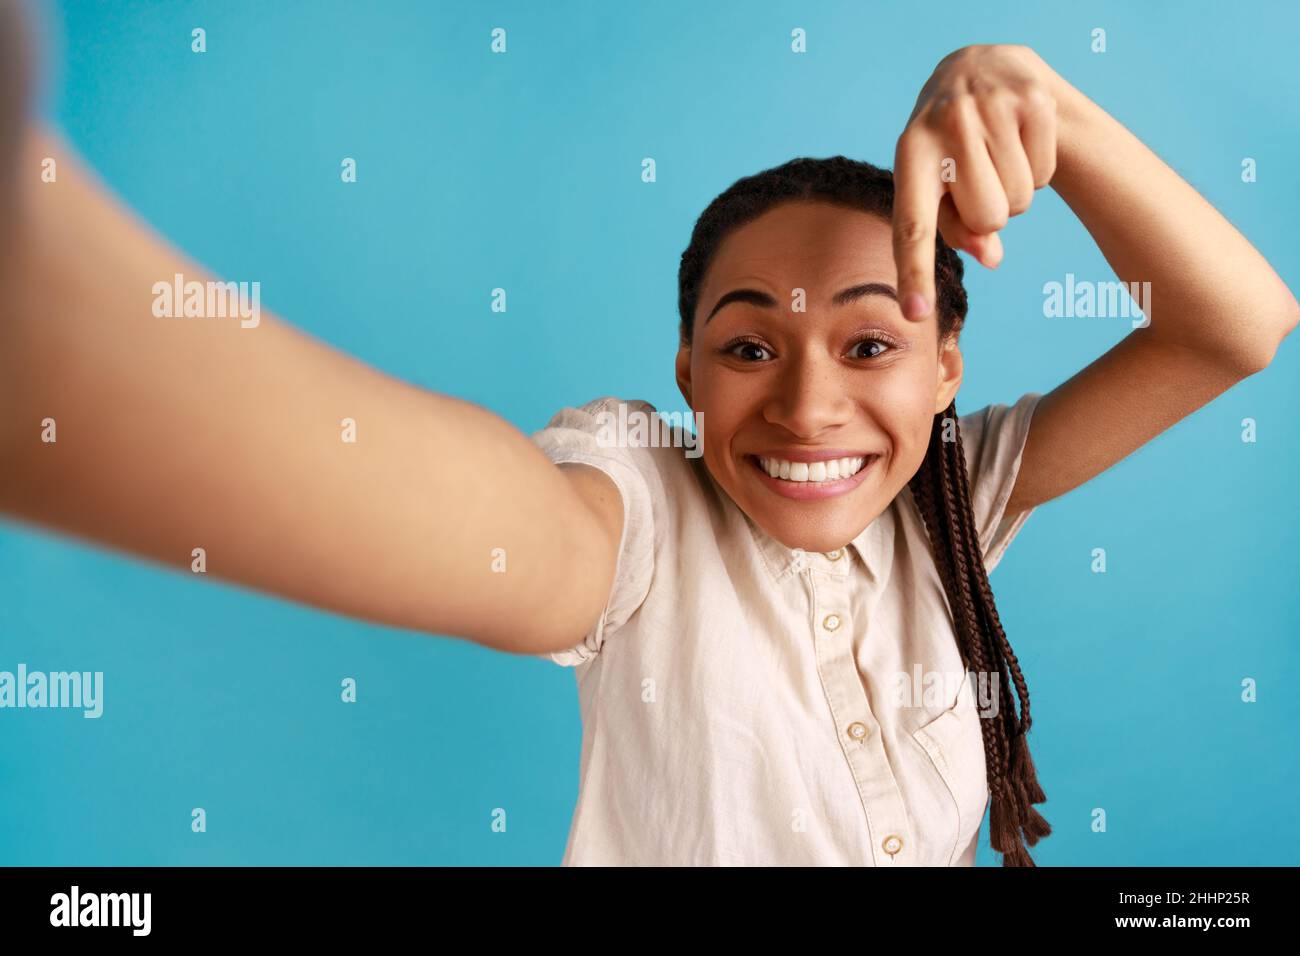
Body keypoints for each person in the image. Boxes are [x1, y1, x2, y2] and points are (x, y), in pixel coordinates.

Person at [0, 28, 1295, 865]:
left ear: (944, 369)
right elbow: (515, 532)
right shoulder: (640, 514)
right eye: (747, 349)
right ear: (686, 373)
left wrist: (1043, 104)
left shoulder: (954, 498)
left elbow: (1241, 323)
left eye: (868, 345)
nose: (805, 410)